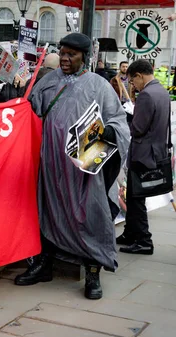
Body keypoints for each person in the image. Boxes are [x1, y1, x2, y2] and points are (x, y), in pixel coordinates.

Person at [18, 32, 129, 300]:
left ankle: (92, 274)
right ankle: (44, 264)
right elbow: (28, 115)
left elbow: (118, 123)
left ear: (84, 57)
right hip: (51, 164)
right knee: (46, 211)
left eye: (71, 55)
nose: (65, 59)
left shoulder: (99, 86)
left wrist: (105, 134)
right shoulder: (47, 82)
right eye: (63, 53)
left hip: (83, 167)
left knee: (91, 215)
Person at [117, 60, 171, 256]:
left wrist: (125, 120)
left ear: (139, 75)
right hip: (154, 150)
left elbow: (138, 129)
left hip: (143, 152)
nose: (133, 85)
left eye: (132, 81)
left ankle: (143, 240)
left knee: (137, 198)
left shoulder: (147, 94)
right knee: (133, 196)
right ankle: (130, 233)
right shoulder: (162, 91)